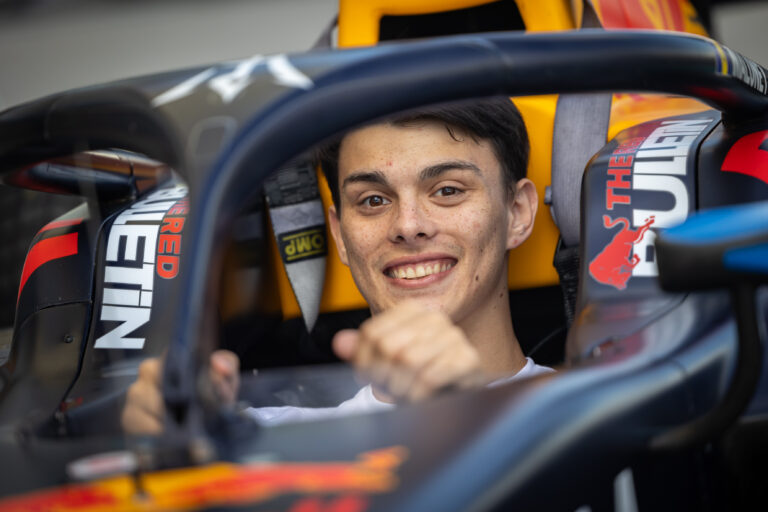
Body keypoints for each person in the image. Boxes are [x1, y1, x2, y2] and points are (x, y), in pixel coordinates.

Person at [122, 97, 553, 433]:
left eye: (447, 190)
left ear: (517, 212)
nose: (408, 226)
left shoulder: (598, 417)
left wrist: (469, 417)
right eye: (373, 200)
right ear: (339, 234)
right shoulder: (262, 443)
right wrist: (168, 448)